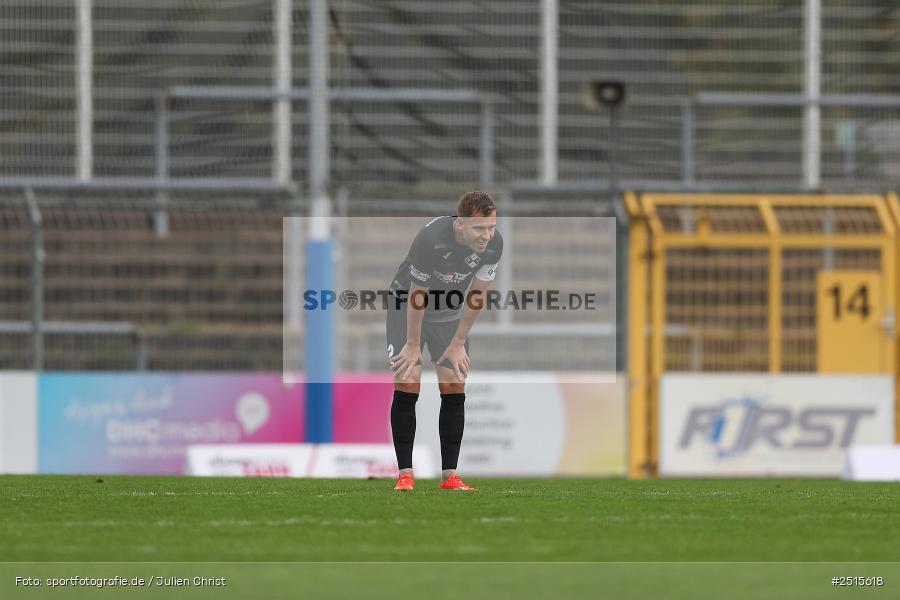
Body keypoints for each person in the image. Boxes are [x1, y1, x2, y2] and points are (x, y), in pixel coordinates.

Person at [386, 191, 502, 491]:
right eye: (479, 228)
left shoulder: (493, 245)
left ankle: (450, 476)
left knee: (453, 383)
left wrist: (458, 342)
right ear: (460, 224)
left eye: (491, 227)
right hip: (407, 307)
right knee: (408, 379)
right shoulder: (430, 238)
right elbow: (417, 294)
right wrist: (412, 345)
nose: (487, 235)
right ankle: (405, 475)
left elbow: (477, 295)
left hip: (448, 312)